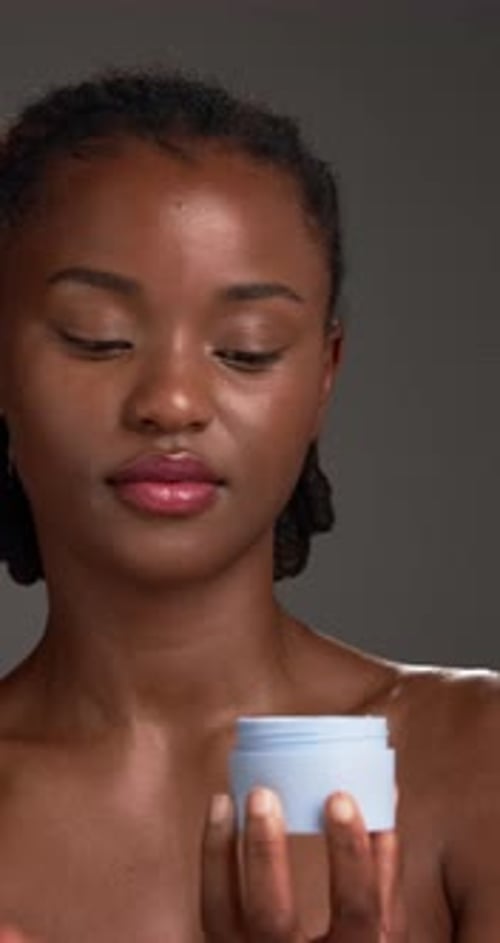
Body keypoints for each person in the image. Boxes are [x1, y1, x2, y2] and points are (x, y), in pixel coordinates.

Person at [0, 66, 497, 943]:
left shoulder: (472, 759)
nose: (172, 400)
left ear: (324, 377)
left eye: (247, 350)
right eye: (98, 337)